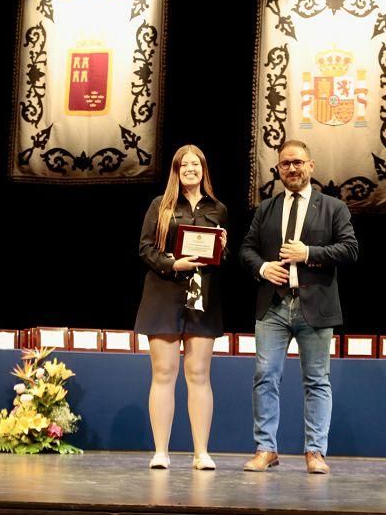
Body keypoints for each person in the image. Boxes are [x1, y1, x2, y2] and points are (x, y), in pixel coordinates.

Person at [239, 139, 358, 474]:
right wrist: (263, 268)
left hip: (316, 306)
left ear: (311, 166)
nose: (292, 168)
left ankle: (315, 451)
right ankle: (266, 449)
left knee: (317, 381)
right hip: (273, 306)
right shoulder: (267, 208)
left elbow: (350, 250)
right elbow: (246, 250)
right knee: (265, 376)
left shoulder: (333, 207)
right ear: (278, 169)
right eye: (285, 164)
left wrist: (309, 253)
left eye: (298, 162)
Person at [134, 145, 228, 470]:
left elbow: (218, 260)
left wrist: (222, 249)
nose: (190, 168)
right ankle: (161, 452)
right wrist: (174, 264)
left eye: (195, 163)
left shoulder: (218, 208)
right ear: (176, 170)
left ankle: (201, 453)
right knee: (163, 372)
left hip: (202, 297)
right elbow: (145, 249)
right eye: (183, 164)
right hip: (164, 294)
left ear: (204, 169)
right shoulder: (160, 206)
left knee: (199, 373)